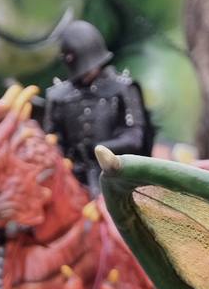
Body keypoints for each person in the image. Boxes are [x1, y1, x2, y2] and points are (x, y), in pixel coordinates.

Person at [43, 21, 151, 194]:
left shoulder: (122, 88)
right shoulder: (58, 96)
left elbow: (134, 138)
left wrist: (99, 148)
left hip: (115, 174)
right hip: (71, 179)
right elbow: (52, 141)